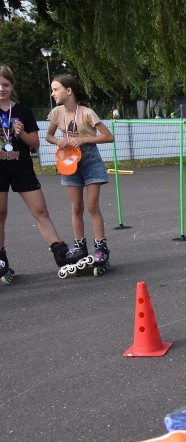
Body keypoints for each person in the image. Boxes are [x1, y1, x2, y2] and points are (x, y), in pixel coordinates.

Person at [0, 65, 81, 284]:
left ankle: (60, 252)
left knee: (40, 211)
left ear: (12, 86)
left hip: (21, 168)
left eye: (5, 84)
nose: (2, 88)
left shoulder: (23, 111)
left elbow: (35, 143)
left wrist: (21, 132)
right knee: (0, 212)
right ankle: (1, 259)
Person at [45, 74, 115, 270]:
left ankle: (101, 247)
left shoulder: (86, 112)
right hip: (69, 161)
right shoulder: (57, 113)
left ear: (69, 91)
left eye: (55, 89)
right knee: (76, 207)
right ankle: (79, 247)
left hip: (90, 161)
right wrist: (59, 141)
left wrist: (84, 140)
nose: (53, 93)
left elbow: (109, 137)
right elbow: (49, 136)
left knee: (92, 206)